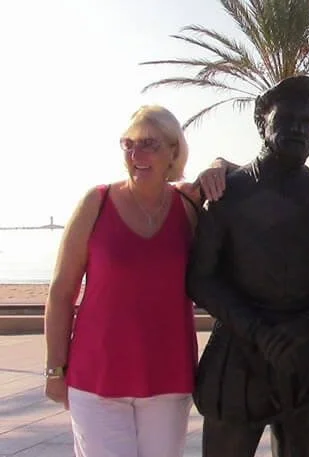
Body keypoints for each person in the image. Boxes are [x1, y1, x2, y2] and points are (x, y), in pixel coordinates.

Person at [185, 75, 309, 457]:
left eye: (308, 123)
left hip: (307, 358)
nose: (299, 129)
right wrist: (256, 329)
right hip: (238, 355)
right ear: (262, 122)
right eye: (288, 120)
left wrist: (301, 328)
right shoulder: (226, 194)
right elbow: (201, 279)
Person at [43, 105, 225, 457]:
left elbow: (263, 170)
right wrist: (54, 369)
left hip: (168, 377)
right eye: (128, 144)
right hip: (96, 378)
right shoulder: (96, 203)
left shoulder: (188, 206)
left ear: (174, 151)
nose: (136, 155)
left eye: (149, 145)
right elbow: (61, 292)